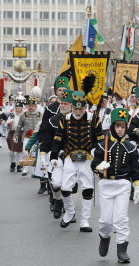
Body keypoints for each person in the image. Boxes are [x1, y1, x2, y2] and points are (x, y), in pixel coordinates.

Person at [91, 108, 139, 263]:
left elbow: (136, 169)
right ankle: (105, 237)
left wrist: (138, 185)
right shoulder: (102, 145)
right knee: (105, 220)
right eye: (117, 126)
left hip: (123, 184)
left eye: (123, 127)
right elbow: (94, 163)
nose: (120, 130)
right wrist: (99, 166)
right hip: (106, 185)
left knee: (121, 219)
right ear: (112, 127)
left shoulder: (131, 147)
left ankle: (122, 251)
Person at [50, 91, 104, 232]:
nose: (78, 111)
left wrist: (98, 157)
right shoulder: (65, 119)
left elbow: (100, 140)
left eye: (81, 108)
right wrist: (54, 157)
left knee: (87, 189)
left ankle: (85, 221)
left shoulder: (94, 119)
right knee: (66, 188)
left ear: (85, 107)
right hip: (70, 156)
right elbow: (58, 138)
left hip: (87, 158)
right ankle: (69, 211)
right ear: (72, 107)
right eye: (76, 108)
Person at [35, 88, 74, 217]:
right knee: (55, 182)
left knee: (70, 186)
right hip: (55, 154)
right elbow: (46, 138)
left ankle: (70, 212)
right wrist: (43, 151)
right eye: (61, 103)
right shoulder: (53, 120)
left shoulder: (79, 120)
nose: (62, 106)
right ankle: (58, 201)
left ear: (72, 105)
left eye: (66, 103)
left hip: (73, 156)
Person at [15, 96, 41, 176]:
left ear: (36, 107)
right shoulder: (24, 115)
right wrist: (16, 135)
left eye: (32, 106)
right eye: (29, 106)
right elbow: (19, 126)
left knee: (34, 154)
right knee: (25, 152)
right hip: (26, 137)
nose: (31, 107)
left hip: (37, 138)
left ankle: (34, 171)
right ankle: (25, 169)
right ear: (27, 106)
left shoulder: (40, 114)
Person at [6, 94, 25, 172]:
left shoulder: (24, 115)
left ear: (21, 109)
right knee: (12, 150)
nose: (17, 110)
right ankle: (13, 163)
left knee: (19, 150)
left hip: (20, 133)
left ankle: (19, 165)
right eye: (16, 108)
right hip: (12, 132)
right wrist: (9, 123)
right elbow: (7, 125)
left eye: (19, 108)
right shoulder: (12, 115)